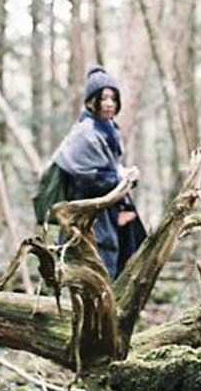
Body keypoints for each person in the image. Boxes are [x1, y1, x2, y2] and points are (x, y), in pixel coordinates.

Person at [53, 65, 147, 280]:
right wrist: (122, 179)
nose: (109, 104)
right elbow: (88, 178)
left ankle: (114, 308)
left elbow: (108, 166)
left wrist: (124, 175)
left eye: (113, 99)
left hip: (110, 206)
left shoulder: (109, 128)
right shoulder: (85, 133)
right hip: (89, 211)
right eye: (103, 98)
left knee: (125, 255)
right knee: (98, 262)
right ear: (91, 101)